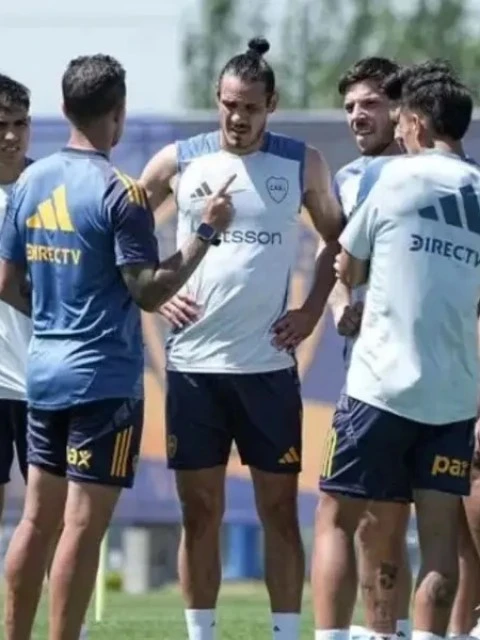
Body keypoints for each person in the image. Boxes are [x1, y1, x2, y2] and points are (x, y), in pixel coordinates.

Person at [0, 53, 234, 640]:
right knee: (80, 528)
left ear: (63, 109)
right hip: (102, 382)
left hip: (43, 374)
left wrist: (53, 316)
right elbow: (150, 292)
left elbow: (5, 280)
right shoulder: (121, 192)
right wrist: (206, 232)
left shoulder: (30, 181)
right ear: (119, 113)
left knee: (37, 520)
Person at [140, 37, 342, 640]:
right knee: (200, 512)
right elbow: (122, 230)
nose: (238, 117)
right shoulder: (177, 161)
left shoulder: (302, 163)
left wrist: (312, 309)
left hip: (268, 371)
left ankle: (284, 634)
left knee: (278, 512)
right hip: (194, 370)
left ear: (270, 105)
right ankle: (201, 635)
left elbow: (339, 241)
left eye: (250, 107)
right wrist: (153, 290)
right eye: (229, 105)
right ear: (217, 100)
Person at [313, 61, 479, 640]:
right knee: (439, 541)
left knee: (336, 519)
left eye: (402, 119)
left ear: (417, 123)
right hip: (453, 399)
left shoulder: (393, 180)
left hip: (379, 388)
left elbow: (349, 265)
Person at [275, 56, 413, 640]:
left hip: (406, 374)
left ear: (401, 110)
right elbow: (334, 257)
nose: (358, 115)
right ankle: (386, 631)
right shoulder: (350, 178)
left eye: (371, 104)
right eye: (350, 106)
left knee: (361, 514)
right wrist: (333, 308)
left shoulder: (433, 175)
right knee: (374, 518)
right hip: (368, 369)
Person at [0, 74, 33, 524]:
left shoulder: (48, 188)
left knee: (50, 513)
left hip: (40, 379)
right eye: (1, 124)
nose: (11, 136)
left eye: (19, 124)